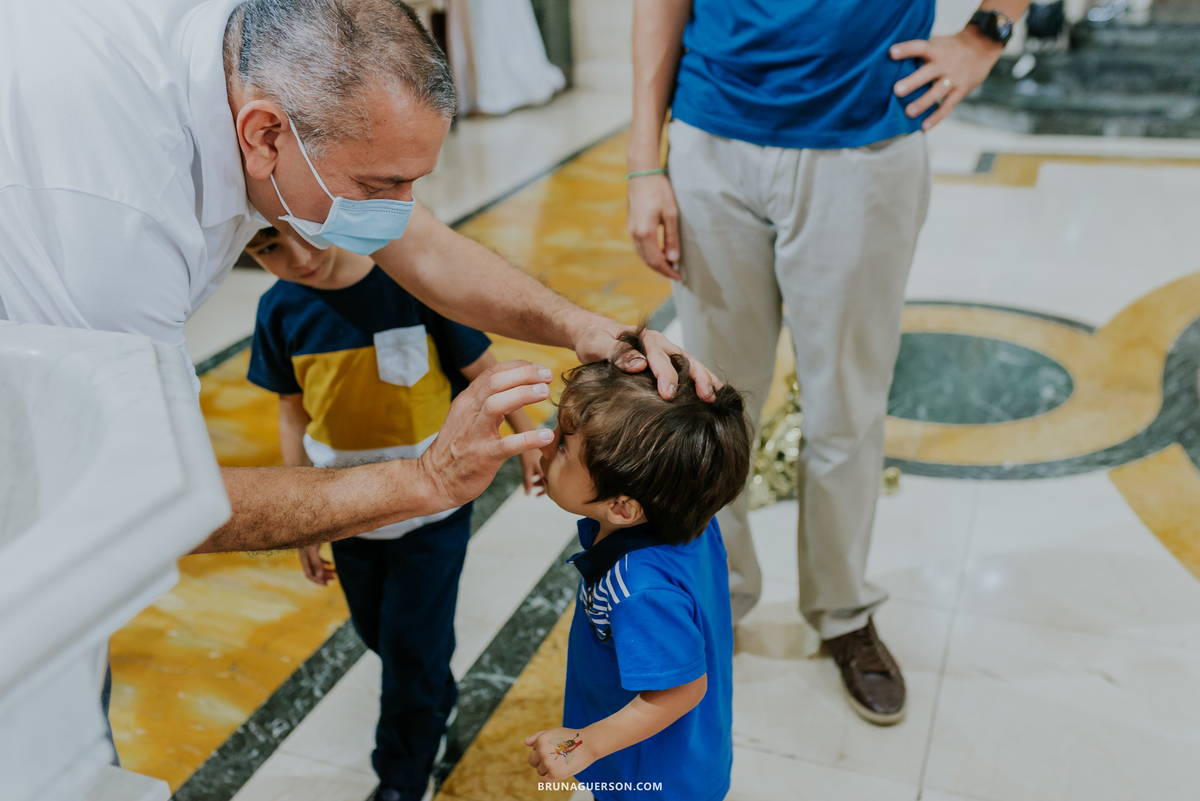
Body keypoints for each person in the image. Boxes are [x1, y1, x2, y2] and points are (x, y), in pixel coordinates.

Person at [0, 0, 717, 556]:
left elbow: (424, 246)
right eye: (382, 183)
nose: (401, 211)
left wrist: (583, 327)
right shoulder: (116, 220)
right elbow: (140, 497)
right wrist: (425, 478)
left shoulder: (255, 44)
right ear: (264, 136)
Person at [625, 0, 1029, 724]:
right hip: (714, 136)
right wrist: (641, 163)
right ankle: (721, 601)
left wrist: (987, 34)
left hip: (866, 138)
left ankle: (843, 612)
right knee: (714, 404)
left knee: (847, 404)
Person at [242, 226, 544, 801]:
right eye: (268, 249)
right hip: (347, 509)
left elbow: (482, 371)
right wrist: (300, 512)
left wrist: (526, 441)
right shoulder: (278, 310)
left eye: (303, 238)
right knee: (380, 632)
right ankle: (434, 697)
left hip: (432, 513)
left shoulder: (410, 285)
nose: (299, 258)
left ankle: (402, 777)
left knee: (408, 649)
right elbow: (292, 413)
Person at [524, 333, 751, 801]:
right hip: (684, 754)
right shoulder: (687, 516)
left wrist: (585, 744)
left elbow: (680, 691)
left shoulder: (640, 590)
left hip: (651, 778)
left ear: (622, 507)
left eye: (564, 446)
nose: (549, 444)